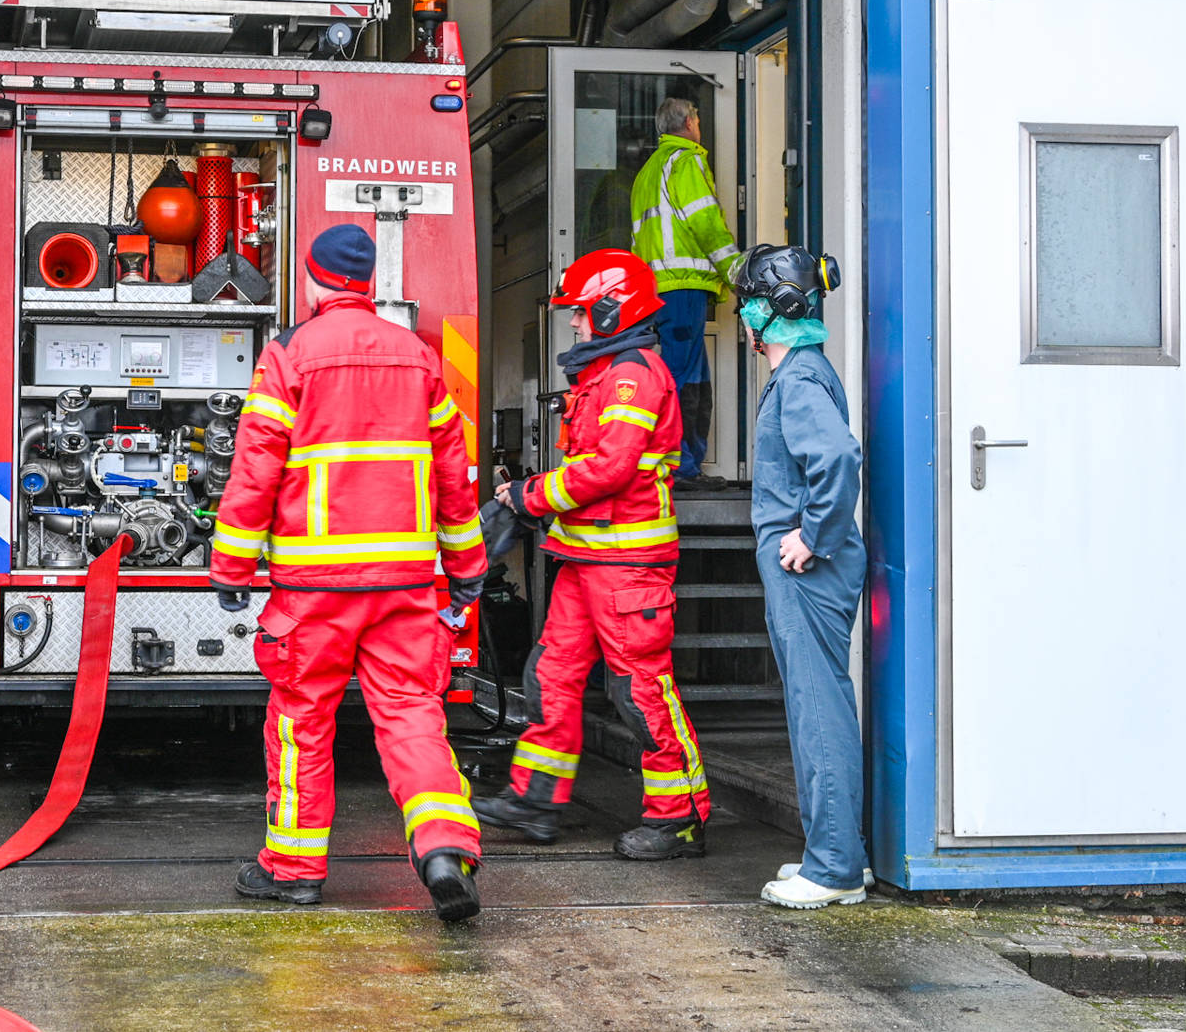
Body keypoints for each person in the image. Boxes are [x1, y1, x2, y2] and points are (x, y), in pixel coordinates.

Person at [210, 224, 489, 922]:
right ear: (365, 286)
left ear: (313, 279)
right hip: (402, 585)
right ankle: (442, 847)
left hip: (313, 591)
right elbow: (454, 477)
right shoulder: (420, 359)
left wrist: (232, 563)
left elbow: (255, 468)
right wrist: (467, 565)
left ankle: (294, 868)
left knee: (303, 719)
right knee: (412, 716)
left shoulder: (289, 355)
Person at [474, 249, 711, 859]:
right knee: (549, 676)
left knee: (641, 692)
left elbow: (610, 469)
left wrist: (528, 497)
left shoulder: (634, 375)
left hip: (629, 568)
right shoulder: (604, 375)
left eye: (581, 313)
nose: (575, 324)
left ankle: (679, 818)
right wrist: (529, 503)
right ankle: (536, 802)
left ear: (611, 308)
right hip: (586, 562)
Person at [731, 245, 870, 909]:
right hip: (811, 571)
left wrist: (812, 536)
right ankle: (838, 851)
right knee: (819, 707)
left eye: (747, 305)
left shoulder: (801, 380)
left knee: (819, 712)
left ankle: (836, 865)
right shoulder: (801, 372)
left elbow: (839, 457)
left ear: (772, 310)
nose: (741, 318)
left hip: (811, 572)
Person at [629, 96, 740, 486]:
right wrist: (735, 269)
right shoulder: (686, 161)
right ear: (691, 122)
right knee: (681, 376)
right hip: (683, 285)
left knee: (691, 377)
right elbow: (705, 221)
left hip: (659, 290)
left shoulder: (649, 170)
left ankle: (688, 462)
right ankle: (678, 466)